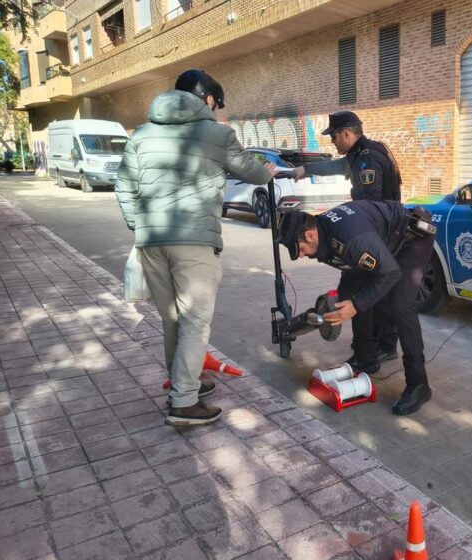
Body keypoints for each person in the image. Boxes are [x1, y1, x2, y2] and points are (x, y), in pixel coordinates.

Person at [116, 69, 274, 427]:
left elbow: (123, 188)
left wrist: (140, 226)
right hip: (194, 241)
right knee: (195, 322)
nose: (216, 110)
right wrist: (272, 172)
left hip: (150, 241)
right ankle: (184, 403)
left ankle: (184, 384)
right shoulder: (216, 134)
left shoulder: (140, 135)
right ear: (207, 99)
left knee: (173, 319)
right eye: (216, 104)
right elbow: (255, 173)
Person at [277, 200, 435, 415]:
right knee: (353, 295)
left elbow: (391, 273)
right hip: (382, 241)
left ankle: (419, 385)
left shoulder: (351, 239)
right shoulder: (326, 233)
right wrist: (345, 302)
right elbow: (350, 271)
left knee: (401, 305)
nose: (302, 255)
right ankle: (366, 358)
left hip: (411, 239)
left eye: (300, 249)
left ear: (310, 235)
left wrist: (356, 305)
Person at [292, 111, 402, 369]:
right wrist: (304, 170)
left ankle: (379, 349)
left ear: (347, 134)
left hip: (378, 234)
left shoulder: (368, 159)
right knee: (362, 291)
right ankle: (370, 350)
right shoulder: (358, 154)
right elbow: (335, 166)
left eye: (334, 137)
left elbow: (371, 206)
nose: (333, 143)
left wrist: (350, 231)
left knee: (370, 292)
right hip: (377, 231)